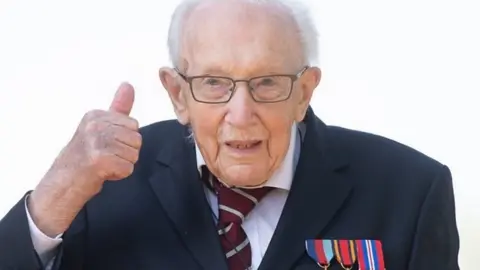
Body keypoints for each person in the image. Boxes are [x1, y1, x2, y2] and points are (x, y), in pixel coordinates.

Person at [0, 0, 460, 269]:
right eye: (214, 83)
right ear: (177, 93)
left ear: (304, 92)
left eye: (266, 82)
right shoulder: (102, 183)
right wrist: (56, 194)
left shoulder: (410, 190)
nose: (241, 115)